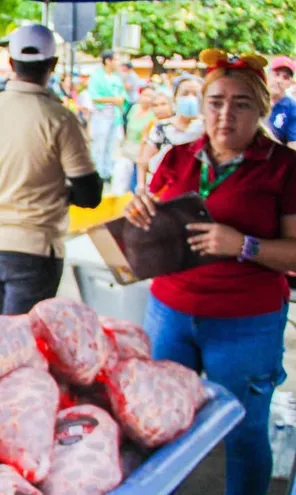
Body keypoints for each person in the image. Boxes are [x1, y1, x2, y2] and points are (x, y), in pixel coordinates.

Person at [125, 49, 296, 495]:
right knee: (158, 423)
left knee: (243, 431)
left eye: (241, 104)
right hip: (170, 312)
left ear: (263, 109)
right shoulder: (178, 157)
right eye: (216, 102)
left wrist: (244, 245)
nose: (226, 114)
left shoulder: (285, 168)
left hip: (246, 323)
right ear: (201, 105)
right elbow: (156, 217)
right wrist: (141, 211)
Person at [0, 24, 102, 315]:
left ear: (11, 62)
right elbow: (90, 194)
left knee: (1, 333)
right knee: (24, 338)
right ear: (53, 64)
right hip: (36, 247)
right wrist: (56, 190)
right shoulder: (60, 119)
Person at [136, 75, 204, 192]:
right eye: (185, 93)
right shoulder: (162, 127)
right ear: (175, 98)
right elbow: (144, 161)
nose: (190, 98)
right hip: (163, 189)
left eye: (195, 94)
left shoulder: (207, 129)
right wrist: (141, 187)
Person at [88, 50, 127, 180]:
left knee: (112, 145)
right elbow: (94, 97)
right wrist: (113, 100)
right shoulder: (97, 77)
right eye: (115, 60)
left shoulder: (117, 77)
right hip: (101, 114)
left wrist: (119, 100)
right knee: (100, 145)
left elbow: (122, 94)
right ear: (108, 61)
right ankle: (97, 172)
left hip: (115, 115)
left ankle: (108, 172)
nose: (117, 62)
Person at [116, 86, 157, 193]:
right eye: (144, 95)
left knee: (135, 183)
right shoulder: (134, 108)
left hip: (141, 151)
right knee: (121, 179)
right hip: (127, 148)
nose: (146, 99)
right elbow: (126, 125)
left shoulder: (153, 114)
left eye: (150, 96)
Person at [267, 56, 296, 148]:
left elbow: (293, 144)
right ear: (268, 75)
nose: (279, 81)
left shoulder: (292, 108)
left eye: (285, 77)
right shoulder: (254, 97)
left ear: (290, 83)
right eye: (277, 74)